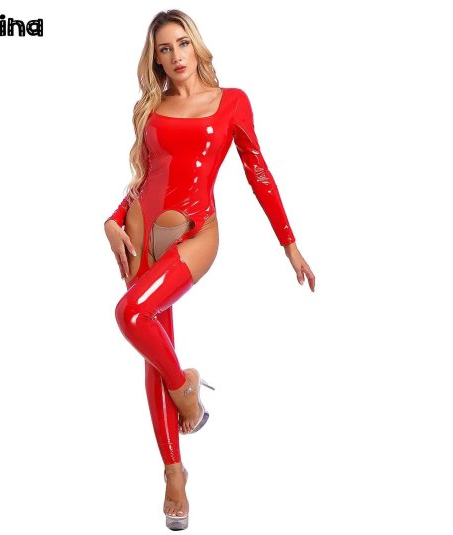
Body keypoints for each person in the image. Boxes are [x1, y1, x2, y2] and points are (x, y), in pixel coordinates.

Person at [104, 9, 315, 531]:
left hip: (195, 233)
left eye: (182, 43)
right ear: (155, 60)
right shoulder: (149, 109)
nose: (176, 56)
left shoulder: (232, 102)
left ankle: (187, 390)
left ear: (196, 45)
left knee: (131, 315)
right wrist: (112, 220)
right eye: (164, 49)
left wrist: (289, 244)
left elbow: (258, 172)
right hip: (141, 231)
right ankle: (174, 474)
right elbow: (144, 178)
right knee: (153, 346)